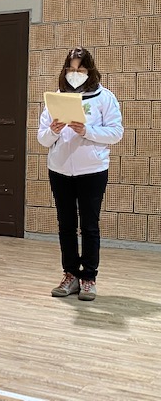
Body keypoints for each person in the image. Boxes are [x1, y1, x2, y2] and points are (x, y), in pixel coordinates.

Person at [38, 46, 123, 301]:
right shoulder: (55, 99)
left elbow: (116, 133)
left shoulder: (104, 97)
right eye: (71, 69)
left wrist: (87, 131)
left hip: (92, 171)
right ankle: (71, 274)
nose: (75, 74)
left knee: (89, 226)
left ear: (90, 70)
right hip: (60, 170)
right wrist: (53, 130)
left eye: (81, 69)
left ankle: (89, 278)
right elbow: (42, 139)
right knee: (66, 225)